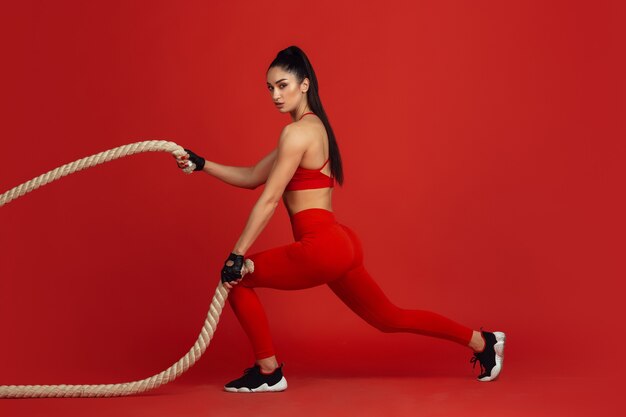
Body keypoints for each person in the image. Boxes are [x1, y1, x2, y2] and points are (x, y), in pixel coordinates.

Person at [174, 45, 506, 393]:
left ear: (304, 85)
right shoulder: (312, 129)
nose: (275, 94)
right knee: (389, 318)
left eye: (283, 85)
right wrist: (202, 164)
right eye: (270, 87)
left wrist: (237, 254)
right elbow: (253, 176)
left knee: (238, 279)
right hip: (340, 242)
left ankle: (268, 371)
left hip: (321, 247)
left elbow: (270, 198)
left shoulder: (296, 133)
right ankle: (483, 343)